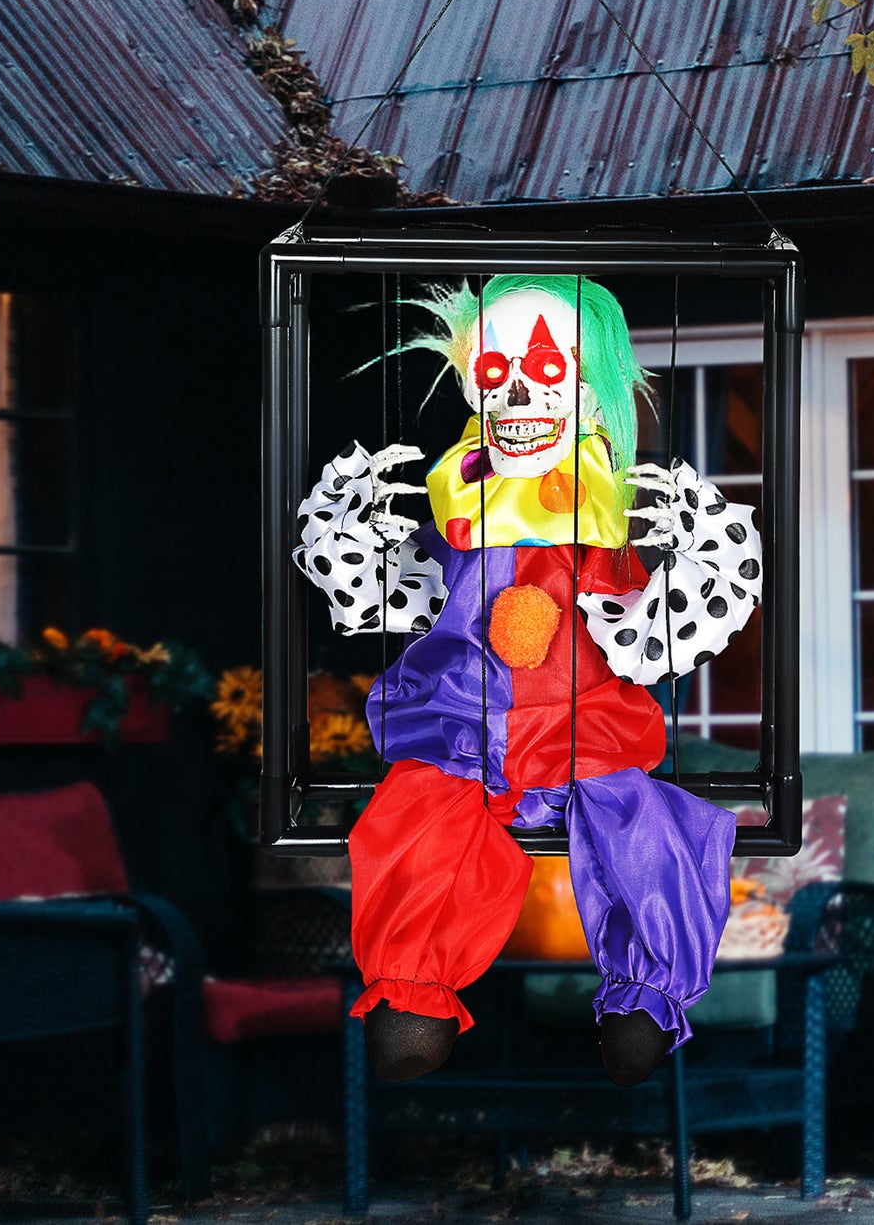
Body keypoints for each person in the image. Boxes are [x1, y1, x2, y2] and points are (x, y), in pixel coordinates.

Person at [293, 274, 762, 1085]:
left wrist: (693, 533)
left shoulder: (609, 519)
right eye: (494, 368)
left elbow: (651, 611)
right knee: (418, 823)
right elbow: (383, 584)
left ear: (588, 393)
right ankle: (412, 990)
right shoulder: (449, 512)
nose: (515, 389)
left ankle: (643, 999)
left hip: (584, 727)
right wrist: (350, 519)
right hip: (456, 726)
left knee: (644, 828)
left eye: (545, 370)